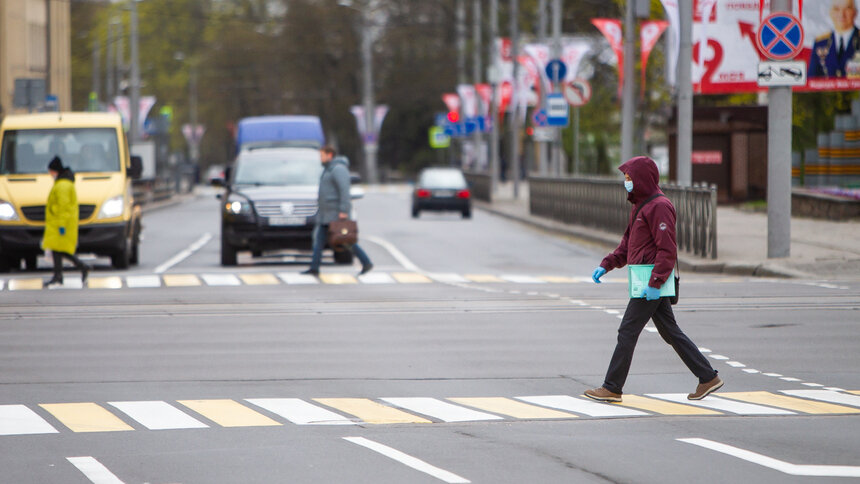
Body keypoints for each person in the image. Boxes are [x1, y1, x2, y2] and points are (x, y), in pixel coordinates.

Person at [584, 156, 722, 403]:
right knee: (670, 331)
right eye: (625, 178)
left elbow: (667, 249)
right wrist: (606, 264)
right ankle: (707, 377)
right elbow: (628, 245)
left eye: (629, 178)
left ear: (642, 179)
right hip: (646, 282)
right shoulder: (640, 205)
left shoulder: (659, 206)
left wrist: (655, 283)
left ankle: (612, 387)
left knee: (627, 331)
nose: (626, 182)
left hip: (650, 283)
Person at [302, 146, 372, 276]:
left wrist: (343, 210)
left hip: (335, 213)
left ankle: (366, 262)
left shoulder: (338, 169)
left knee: (344, 240)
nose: (320, 159)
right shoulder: (328, 169)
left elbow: (344, 191)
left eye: (322, 156)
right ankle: (314, 267)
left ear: (330, 155)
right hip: (326, 214)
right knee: (319, 240)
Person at [42, 156, 90, 288]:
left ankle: (80, 267)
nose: (50, 174)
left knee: (61, 250)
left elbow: (63, 207)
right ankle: (59, 276)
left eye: (51, 171)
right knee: (58, 250)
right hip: (58, 223)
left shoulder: (62, 185)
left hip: (60, 223)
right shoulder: (63, 183)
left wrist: (61, 226)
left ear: (55, 170)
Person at [809, 0, 860, 78]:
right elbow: (811, 79)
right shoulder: (821, 43)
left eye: (847, 9)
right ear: (831, 13)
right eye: (836, 9)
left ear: (855, 12)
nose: (841, 14)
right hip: (825, 90)